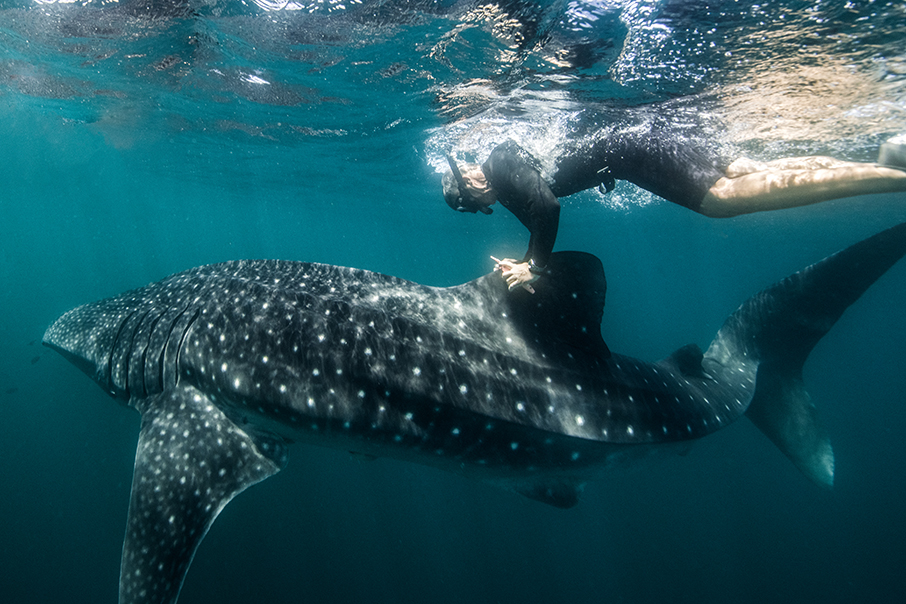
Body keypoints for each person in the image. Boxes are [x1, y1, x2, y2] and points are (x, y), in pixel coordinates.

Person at [443, 133, 906, 293]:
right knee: (751, 170)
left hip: (635, 148)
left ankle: (896, 174)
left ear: (471, 187)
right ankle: (882, 164)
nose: (486, 211)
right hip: (639, 138)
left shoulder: (499, 164)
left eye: (475, 207)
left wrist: (536, 266)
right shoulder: (504, 175)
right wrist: (527, 261)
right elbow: (538, 219)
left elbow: (547, 206)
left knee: (723, 199)